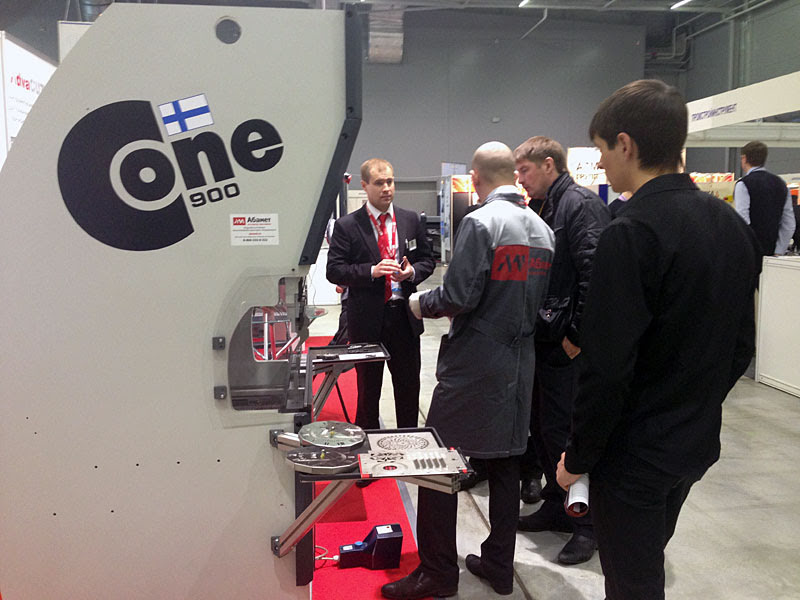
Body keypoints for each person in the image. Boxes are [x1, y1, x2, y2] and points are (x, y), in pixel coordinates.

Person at [556, 79, 762, 600]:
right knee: (644, 563)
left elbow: (606, 367)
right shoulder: (731, 226)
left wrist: (578, 457)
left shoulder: (630, 232)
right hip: (692, 443)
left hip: (633, 455)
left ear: (626, 144)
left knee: (633, 582)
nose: (600, 163)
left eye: (602, 149)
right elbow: (741, 346)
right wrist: (693, 404)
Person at [381, 142, 554, 600]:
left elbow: (458, 295)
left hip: (474, 363)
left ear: (475, 178)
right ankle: (499, 565)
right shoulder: (542, 230)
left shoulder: (481, 222)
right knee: (505, 463)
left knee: (437, 463)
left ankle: (437, 572)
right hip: (521, 363)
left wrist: (417, 303)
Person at [514, 136, 610, 565]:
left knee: (568, 433)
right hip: (546, 339)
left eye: (525, 170)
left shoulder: (579, 205)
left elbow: (596, 274)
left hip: (566, 344)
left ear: (549, 164)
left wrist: (576, 334)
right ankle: (556, 504)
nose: (520, 179)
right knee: (545, 429)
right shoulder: (546, 206)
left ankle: (587, 525)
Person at [326, 158, 434, 433]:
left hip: (404, 318)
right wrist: (371, 271)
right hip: (367, 321)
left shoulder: (410, 220)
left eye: (390, 182)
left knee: (408, 388)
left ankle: (408, 440)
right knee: (368, 392)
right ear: (364, 186)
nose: (387, 188)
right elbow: (334, 270)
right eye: (379, 183)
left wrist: (411, 273)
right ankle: (368, 443)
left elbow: (427, 260)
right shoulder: (348, 226)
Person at [734, 141, 795, 256]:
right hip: (773, 251)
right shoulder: (781, 184)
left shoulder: (743, 184)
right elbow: (789, 223)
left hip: (751, 252)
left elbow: (742, 221)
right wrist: (779, 251)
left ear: (744, 158)